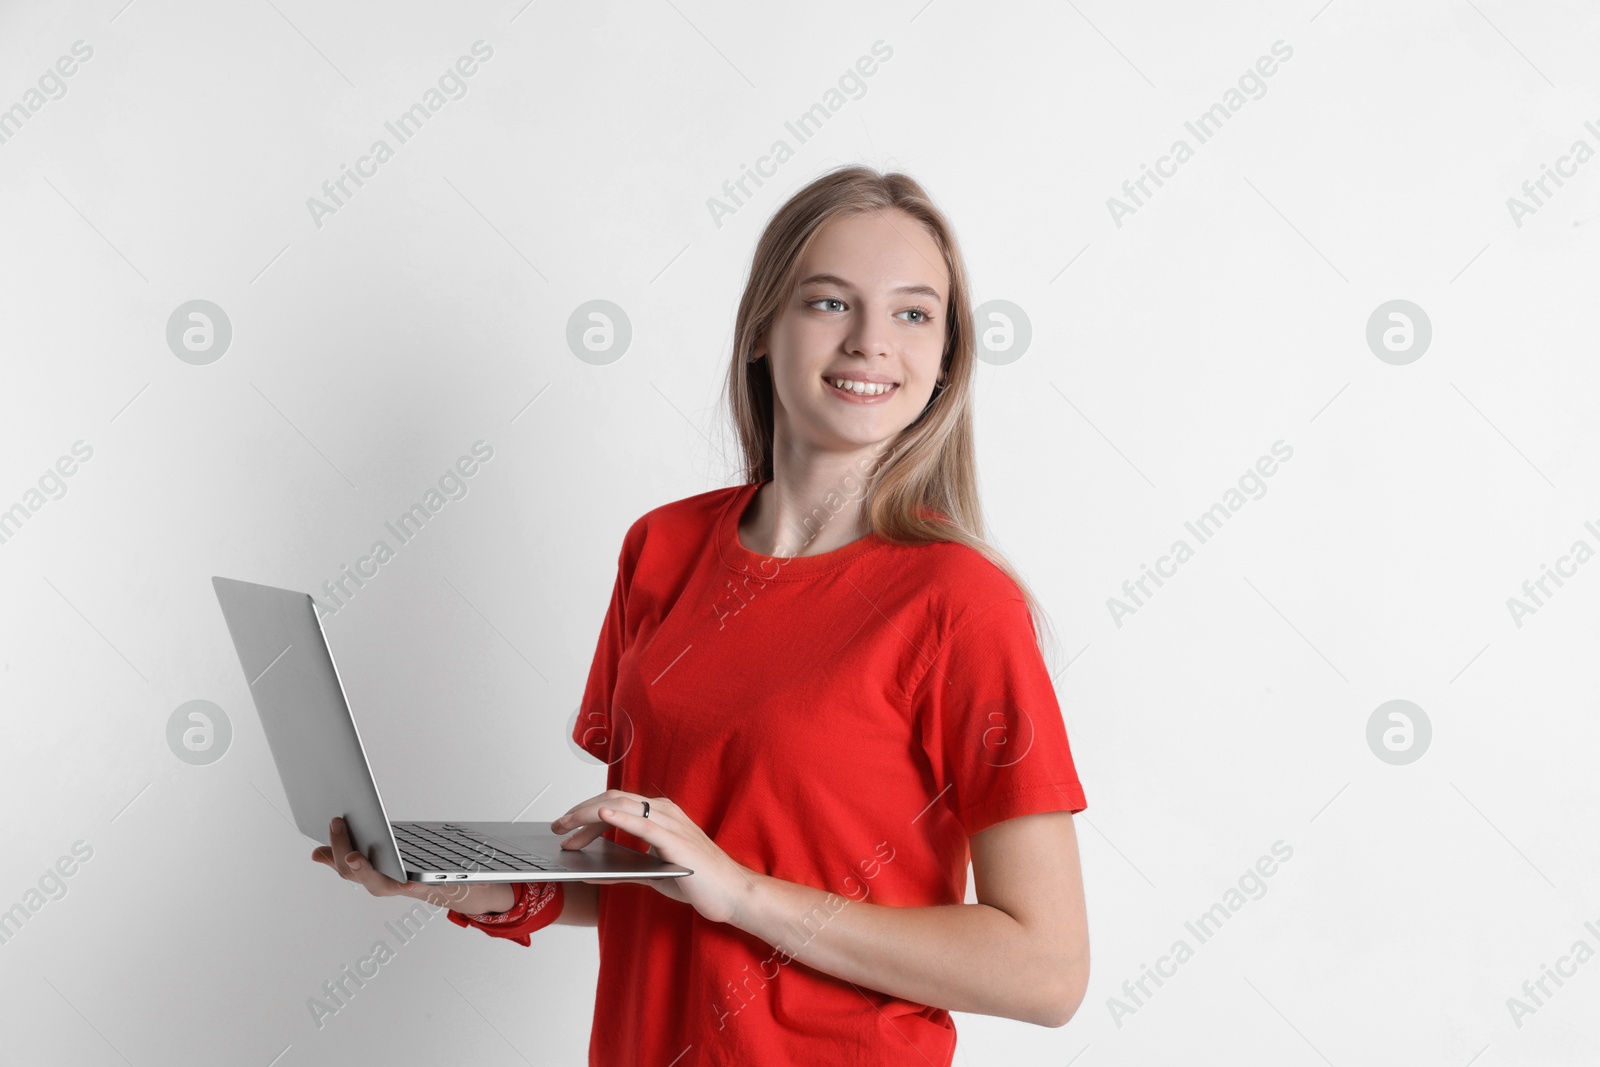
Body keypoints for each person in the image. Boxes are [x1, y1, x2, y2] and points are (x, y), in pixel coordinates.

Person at [312, 164, 1091, 1066]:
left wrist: (746, 893)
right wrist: (453, 884)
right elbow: (658, 878)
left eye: (914, 313)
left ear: (948, 357)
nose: (873, 342)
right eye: (830, 303)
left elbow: (1047, 969)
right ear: (763, 330)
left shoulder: (959, 603)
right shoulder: (664, 548)